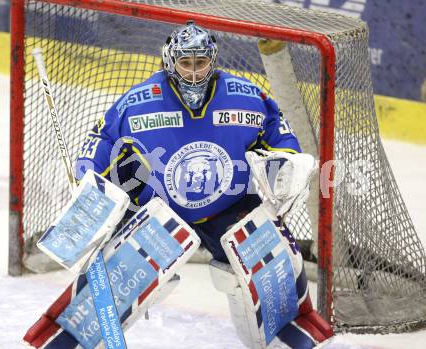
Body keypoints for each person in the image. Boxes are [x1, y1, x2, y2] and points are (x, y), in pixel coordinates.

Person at [76, 21, 333, 349]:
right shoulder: (139, 102)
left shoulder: (245, 96)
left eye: (201, 63)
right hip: (160, 212)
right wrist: (86, 178)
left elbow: (277, 131)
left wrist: (287, 162)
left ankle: (284, 338)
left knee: (273, 260)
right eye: (186, 63)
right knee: (122, 274)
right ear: (171, 63)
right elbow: (102, 138)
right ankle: (75, 337)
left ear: (213, 61)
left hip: (228, 207)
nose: (195, 73)